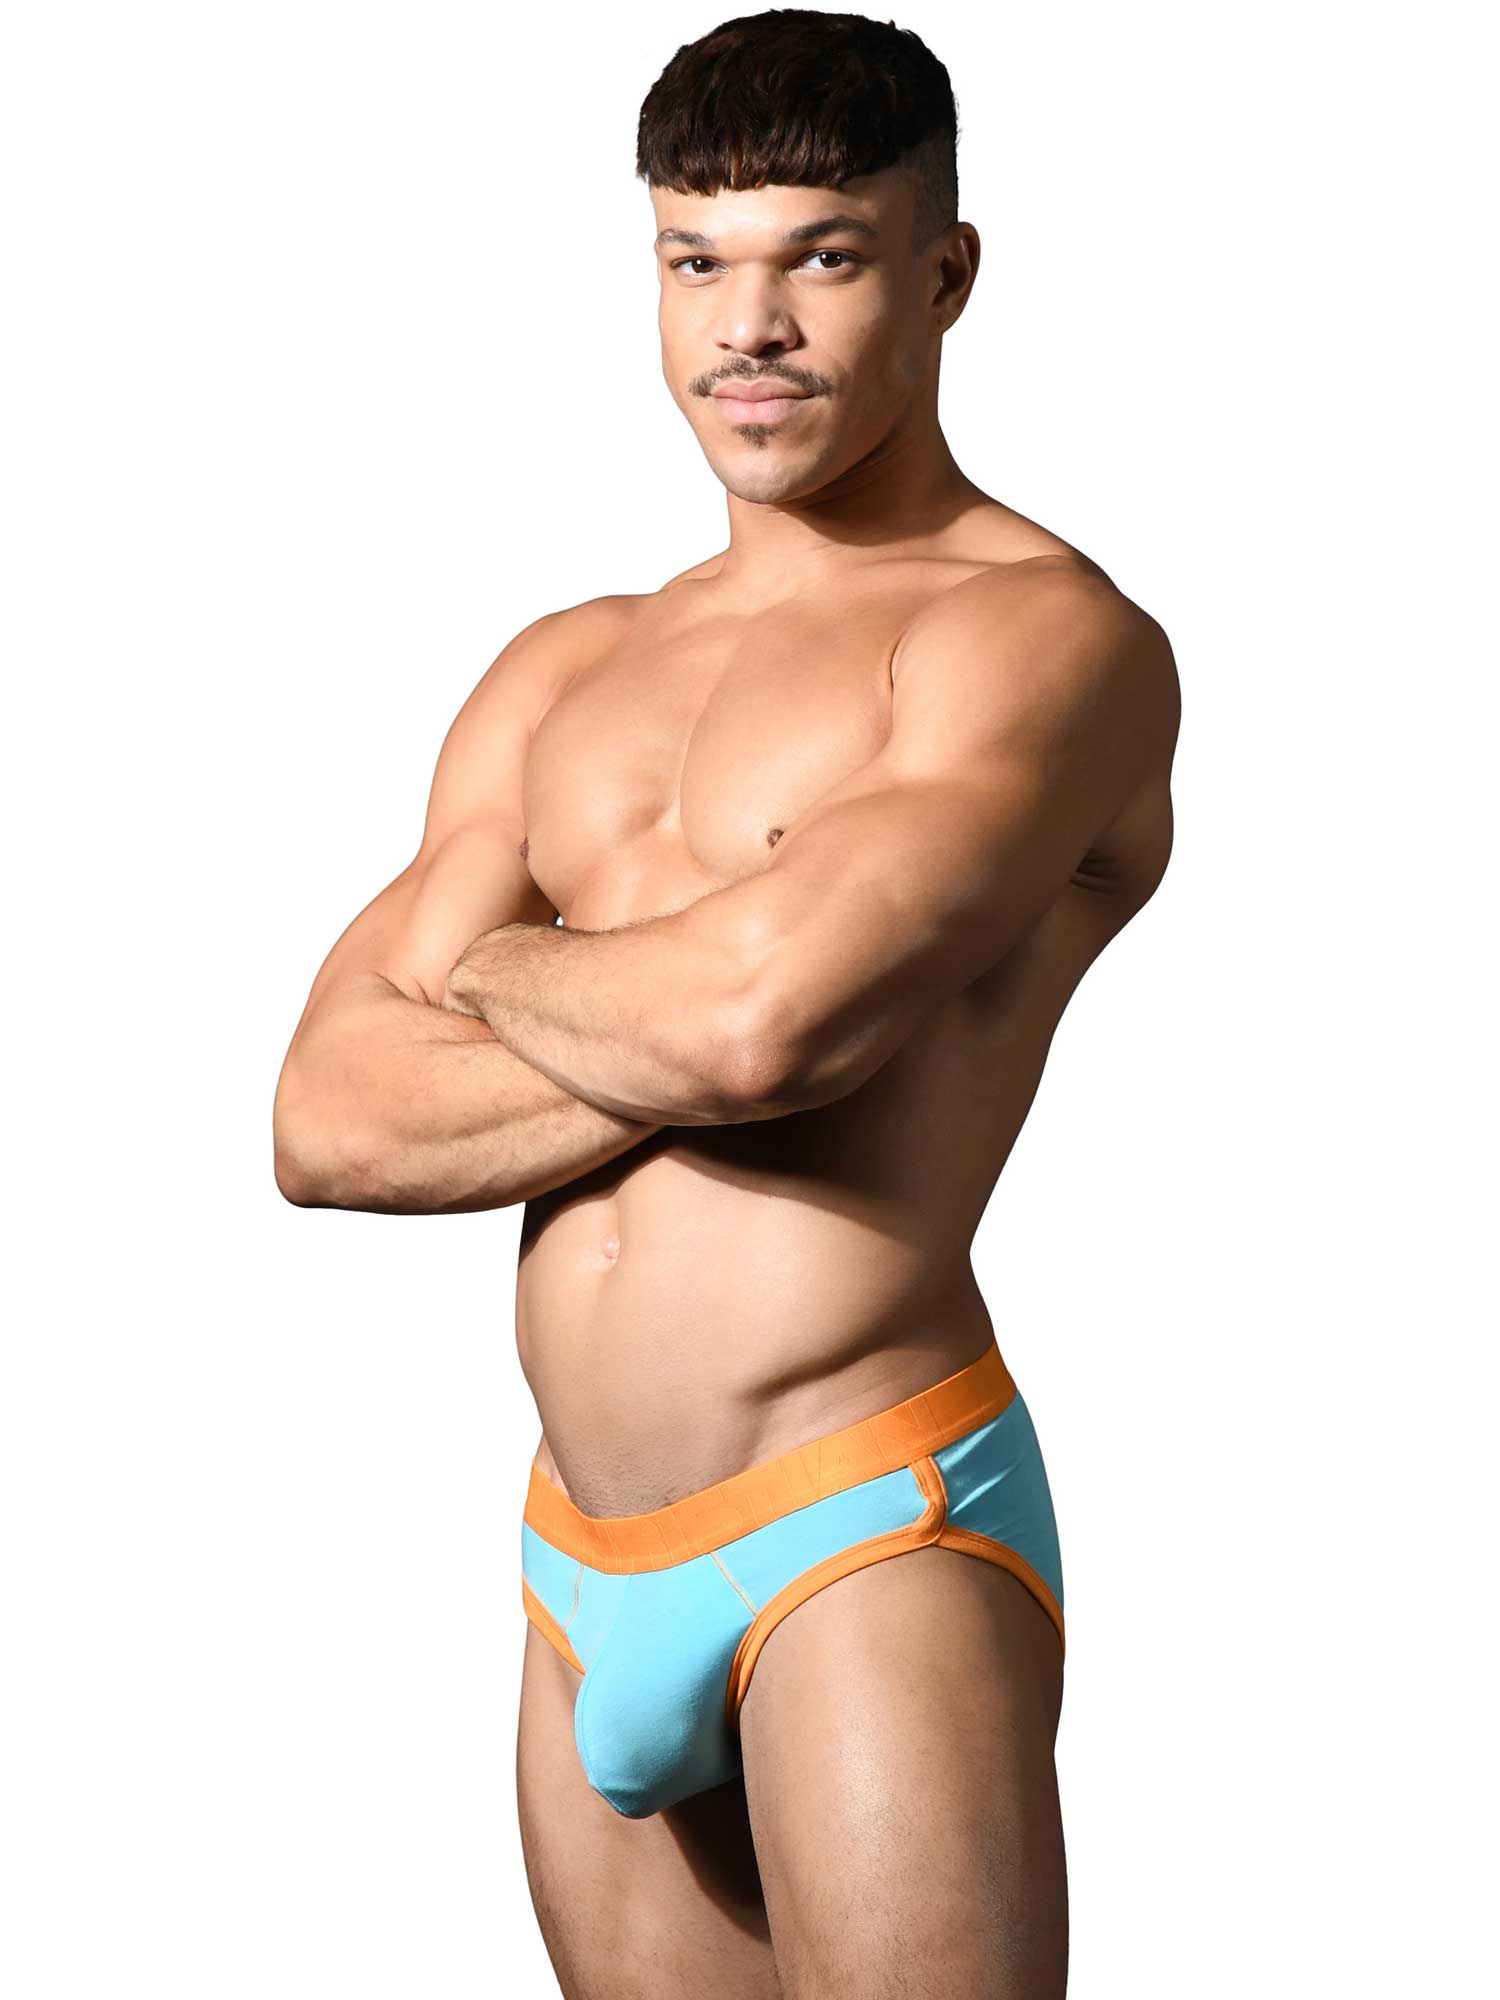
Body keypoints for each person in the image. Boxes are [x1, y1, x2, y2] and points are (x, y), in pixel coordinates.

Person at [273, 10, 1179, 1995]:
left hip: (858, 1512)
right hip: (579, 1550)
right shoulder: (566, 664)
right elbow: (326, 1118)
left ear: (944, 272)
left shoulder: (1042, 640)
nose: (746, 327)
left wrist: (483, 974)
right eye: (698, 261)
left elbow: (769, 1031)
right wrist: (673, 1005)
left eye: (820, 258)